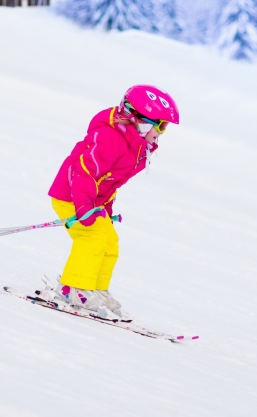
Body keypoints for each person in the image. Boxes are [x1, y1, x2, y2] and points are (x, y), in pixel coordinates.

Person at [45, 85, 180, 320]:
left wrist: (106, 206)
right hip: (72, 196)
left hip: (91, 199)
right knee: (92, 238)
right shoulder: (110, 138)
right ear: (140, 120)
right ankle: (73, 288)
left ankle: (93, 288)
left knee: (109, 242)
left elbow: (111, 180)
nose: (161, 132)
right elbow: (84, 171)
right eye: (160, 125)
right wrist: (85, 207)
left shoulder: (136, 146)